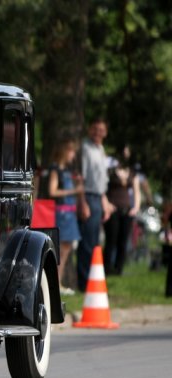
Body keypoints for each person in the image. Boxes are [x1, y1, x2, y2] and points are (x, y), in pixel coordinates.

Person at [76, 118, 115, 292]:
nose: (98, 132)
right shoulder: (85, 148)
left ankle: (93, 280)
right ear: (90, 129)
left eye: (102, 130)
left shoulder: (101, 149)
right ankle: (84, 284)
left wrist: (104, 201)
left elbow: (102, 179)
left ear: (105, 132)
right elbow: (81, 178)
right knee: (86, 243)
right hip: (88, 197)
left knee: (95, 242)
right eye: (95, 129)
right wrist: (82, 202)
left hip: (98, 198)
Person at [47, 140, 84, 295]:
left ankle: (58, 282)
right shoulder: (56, 170)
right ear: (64, 151)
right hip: (61, 213)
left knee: (66, 250)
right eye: (71, 151)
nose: (73, 155)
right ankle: (55, 283)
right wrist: (74, 191)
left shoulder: (67, 170)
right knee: (60, 249)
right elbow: (52, 192)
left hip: (69, 213)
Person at [103, 150, 140, 275]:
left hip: (127, 210)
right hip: (113, 209)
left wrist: (135, 208)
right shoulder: (111, 171)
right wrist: (107, 204)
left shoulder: (132, 173)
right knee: (111, 239)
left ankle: (118, 268)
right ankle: (106, 267)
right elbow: (103, 188)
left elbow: (137, 192)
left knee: (123, 241)